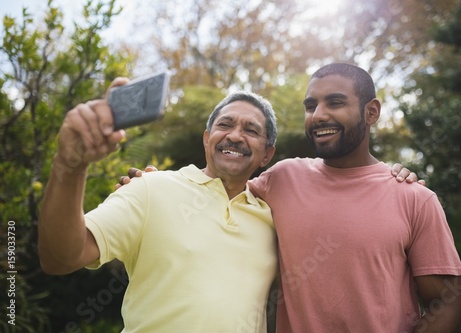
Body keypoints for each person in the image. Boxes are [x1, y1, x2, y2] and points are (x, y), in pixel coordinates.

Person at [122, 63, 461, 332]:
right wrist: (157, 184)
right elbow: (219, 187)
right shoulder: (283, 179)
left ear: (371, 112)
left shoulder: (415, 198)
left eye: (335, 102)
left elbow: (446, 300)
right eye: (311, 105)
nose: (318, 115)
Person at [38, 84, 281, 332]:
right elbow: (60, 258)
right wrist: (71, 166)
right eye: (225, 125)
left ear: (267, 155)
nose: (235, 136)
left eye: (251, 130)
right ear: (207, 139)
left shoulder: (274, 220)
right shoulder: (149, 188)